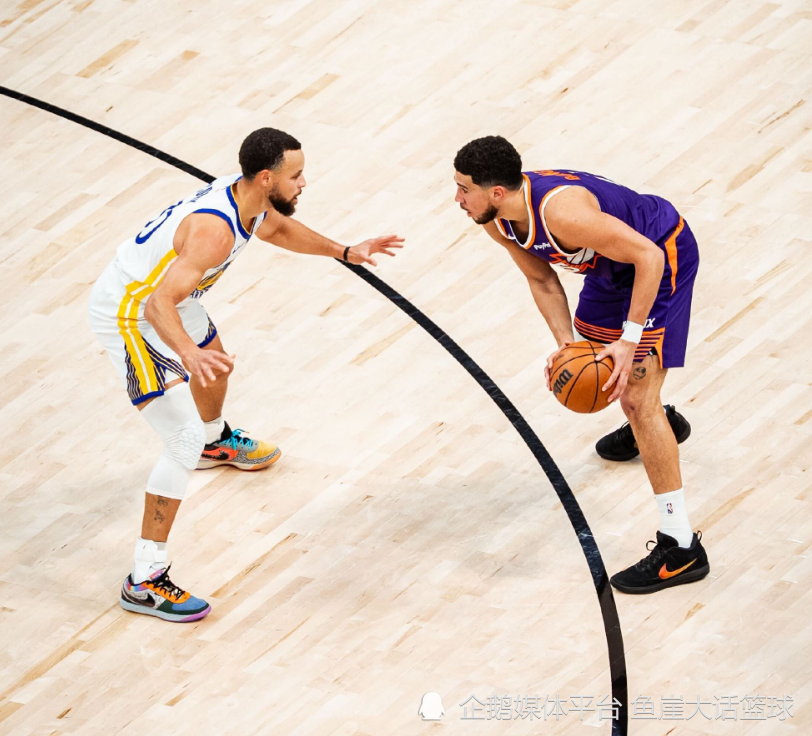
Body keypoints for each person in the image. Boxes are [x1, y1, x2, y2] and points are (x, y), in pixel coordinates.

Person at [89, 127, 403, 621]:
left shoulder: (249, 201)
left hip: (171, 297)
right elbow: (156, 305)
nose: (304, 183)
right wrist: (186, 352)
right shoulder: (213, 232)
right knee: (180, 438)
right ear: (266, 178)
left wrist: (345, 251)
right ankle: (144, 580)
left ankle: (215, 442)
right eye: (296, 176)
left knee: (217, 367)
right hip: (132, 312)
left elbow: (276, 230)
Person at [452, 135, 708, 594]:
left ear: (496, 192)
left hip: (659, 254)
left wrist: (630, 339)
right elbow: (541, 278)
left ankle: (681, 548)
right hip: (610, 267)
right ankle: (658, 424)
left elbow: (648, 257)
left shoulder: (562, 213)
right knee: (599, 364)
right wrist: (565, 345)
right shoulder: (497, 220)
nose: (457, 198)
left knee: (635, 396)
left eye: (464, 189)